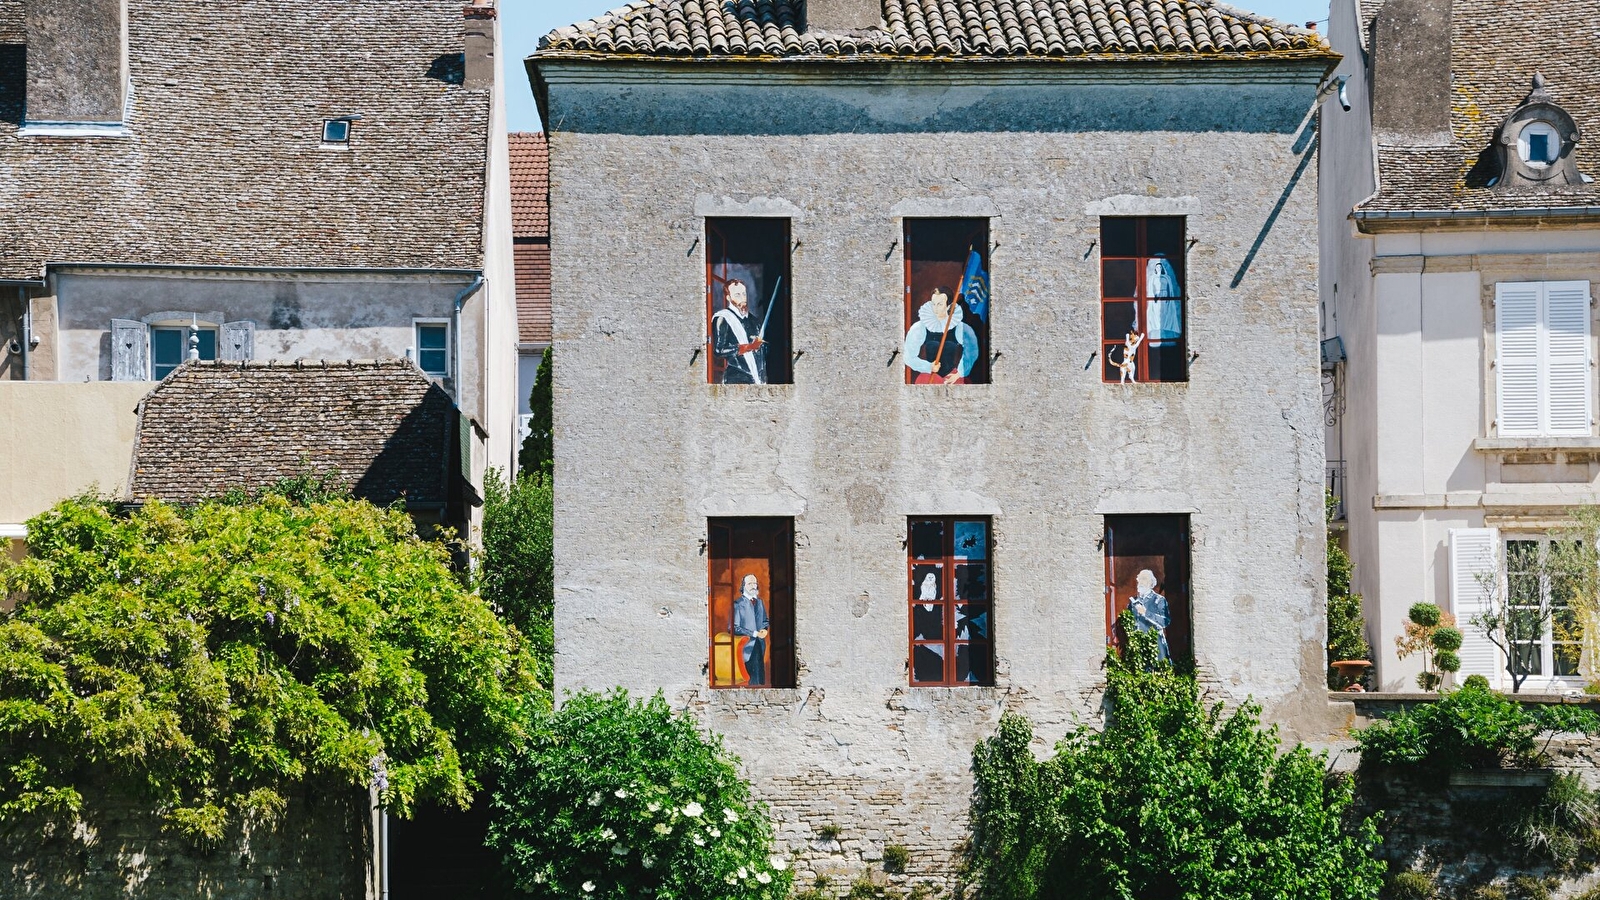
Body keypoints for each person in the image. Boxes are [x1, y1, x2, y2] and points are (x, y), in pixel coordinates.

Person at [904, 287, 979, 384]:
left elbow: (971, 351)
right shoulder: (921, 327)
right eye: (933, 304)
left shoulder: (960, 328)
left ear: (948, 306)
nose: (935, 308)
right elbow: (908, 356)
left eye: (940, 304)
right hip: (929, 377)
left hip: (952, 378)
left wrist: (959, 374)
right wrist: (928, 367)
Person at [712, 281, 766, 385]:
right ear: (729, 297)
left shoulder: (754, 321)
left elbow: (762, 353)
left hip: (758, 379)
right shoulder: (722, 318)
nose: (743, 298)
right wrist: (748, 347)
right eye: (737, 295)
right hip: (736, 378)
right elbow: (719, 350)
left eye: (744, 294)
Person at [731, 574, 770, 686]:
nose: (753, 586)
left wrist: (764, 629)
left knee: (760, 678)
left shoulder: (760, 602)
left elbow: (765, 621)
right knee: (751, 680)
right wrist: (754, 633)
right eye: (749, 583)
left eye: (755, 583)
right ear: (743, 586)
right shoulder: (738, 604)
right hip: (745, 647)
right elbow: (733, 627)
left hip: (760, 645)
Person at [1129, 568, 1171, 662]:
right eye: (1139, 579)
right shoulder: (1134, 602)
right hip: (1137, 645)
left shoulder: (1159, 600)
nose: (1140, 582)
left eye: (1143, 579)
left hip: (1156, 644)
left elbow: (1165, 621)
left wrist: (1146, 613)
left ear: (1150, 583)